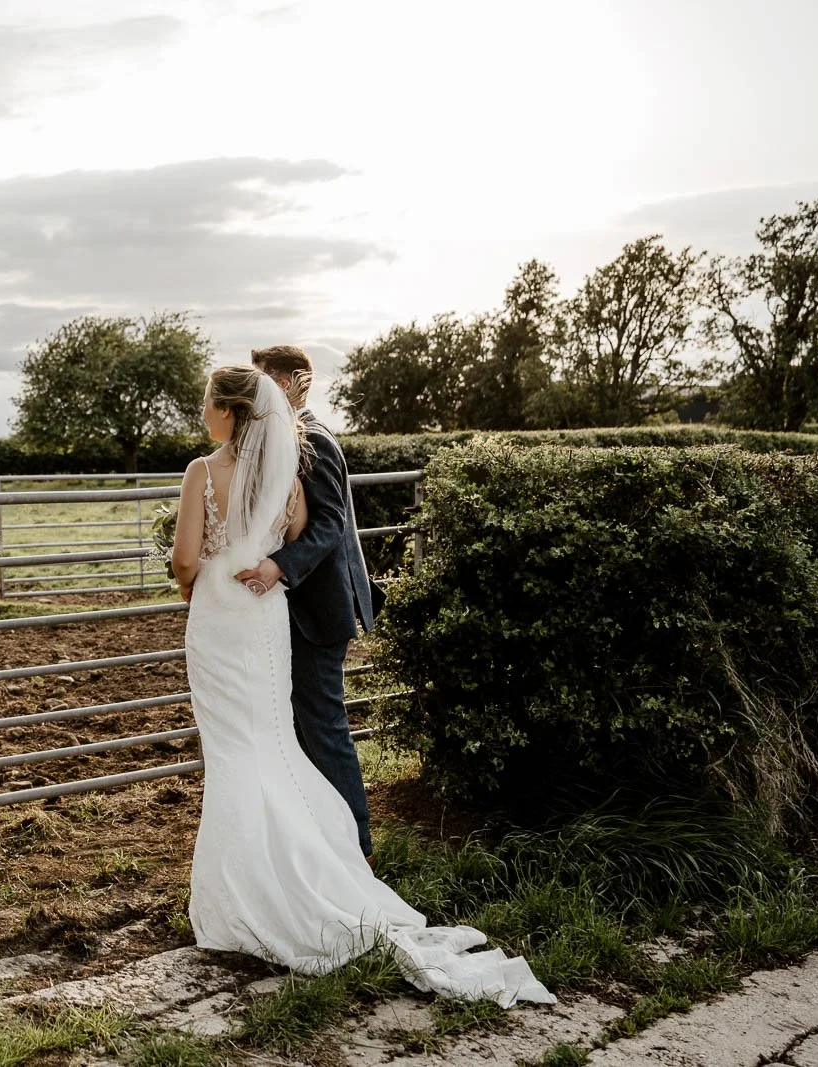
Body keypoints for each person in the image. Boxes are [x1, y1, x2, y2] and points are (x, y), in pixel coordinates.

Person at [171, 364, 553, 1006]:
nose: (203, 413)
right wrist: (260, 559)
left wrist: (199, 584)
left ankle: (252, 892)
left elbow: (185, 560)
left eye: (209, 404)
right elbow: (294, 531)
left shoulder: (200, 472)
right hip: (265, 616)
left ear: (230, 412)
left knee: (242, 750)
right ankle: (313, 868)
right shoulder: (283, 471)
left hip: (220, 614)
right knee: (272, 744)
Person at [235, 344, 379, 860]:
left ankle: (358, 848)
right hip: (292, 611)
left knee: (323, 727)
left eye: (265, 383)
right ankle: (327, 844)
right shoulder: (283, 439)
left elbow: (329, 524)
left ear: (295, 381)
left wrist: (279, 566)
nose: (257, 396)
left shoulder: (312, 439)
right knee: (300, 728)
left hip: (318, 610)